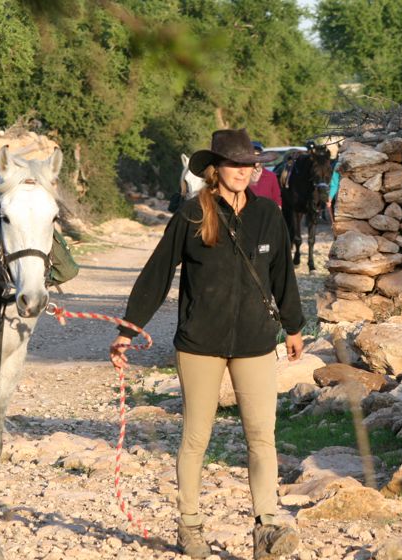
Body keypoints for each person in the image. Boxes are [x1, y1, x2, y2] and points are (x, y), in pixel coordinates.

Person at [110, 128, 304, 559]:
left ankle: (267, 527)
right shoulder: (192, 214)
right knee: (196, 437)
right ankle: (190, 525)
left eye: (249, 165)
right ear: (215, 170)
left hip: (255, 341)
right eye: (234, 165)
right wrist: (128, 329)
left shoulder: (269, 215)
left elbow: (282, 279)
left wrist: (293, 327)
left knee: (262, 436)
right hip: (200, 343)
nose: (243, 172)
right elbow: (157, 274)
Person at [249, 141, 282, 208]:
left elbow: (277, 198)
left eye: (257, 156)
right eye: (253, 156)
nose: (255, 159)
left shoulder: (271, 176)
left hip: (267, 214)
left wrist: (277, 213)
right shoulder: (243, 175)